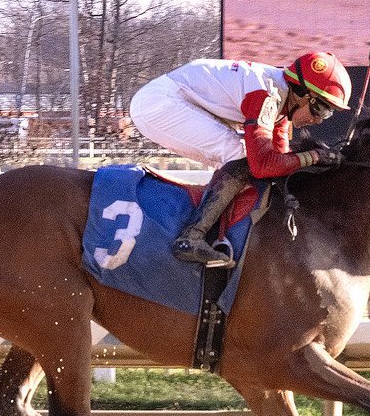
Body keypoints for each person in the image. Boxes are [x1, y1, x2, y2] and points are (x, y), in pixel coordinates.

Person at [129, 52, 352, 268]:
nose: (319, 120)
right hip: (160, 103)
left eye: (328, 113)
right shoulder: (266, 95)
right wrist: (314, 156)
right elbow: (262, 165)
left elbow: (280, 160)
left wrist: (310, 165)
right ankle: (191, 238)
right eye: (320, 109)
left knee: (244, 157)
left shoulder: (283, 102)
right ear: (303, 94)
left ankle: (218, 230)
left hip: (176, 100)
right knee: (239, 154)